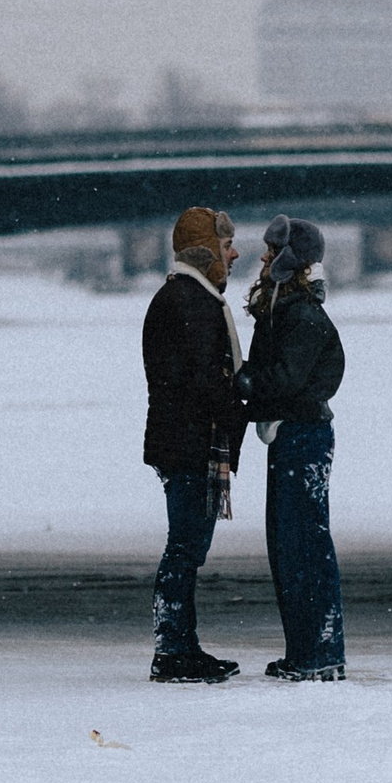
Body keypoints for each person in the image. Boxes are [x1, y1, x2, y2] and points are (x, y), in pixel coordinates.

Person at [140, 204, 248, 683]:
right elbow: (206, 384)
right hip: (189, 445)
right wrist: (248, 398)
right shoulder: (191, 304)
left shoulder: (181, 298)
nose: (236, 253)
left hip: (182, 442)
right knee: (184, 550)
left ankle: (181, 645)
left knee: (186, 548)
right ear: (207, 253)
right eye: (227, 246)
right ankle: (173, 651)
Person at [240, 214, 346, 681]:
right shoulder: (290, 309)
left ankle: (316, 654)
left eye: (271, 250)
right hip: (294, 435)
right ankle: (309, 650)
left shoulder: (300, 315)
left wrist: (239, 382)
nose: (262, 257)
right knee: (294, 547)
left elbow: (284, 378)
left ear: (289, 260)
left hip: (302, 437)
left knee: (302, 546)